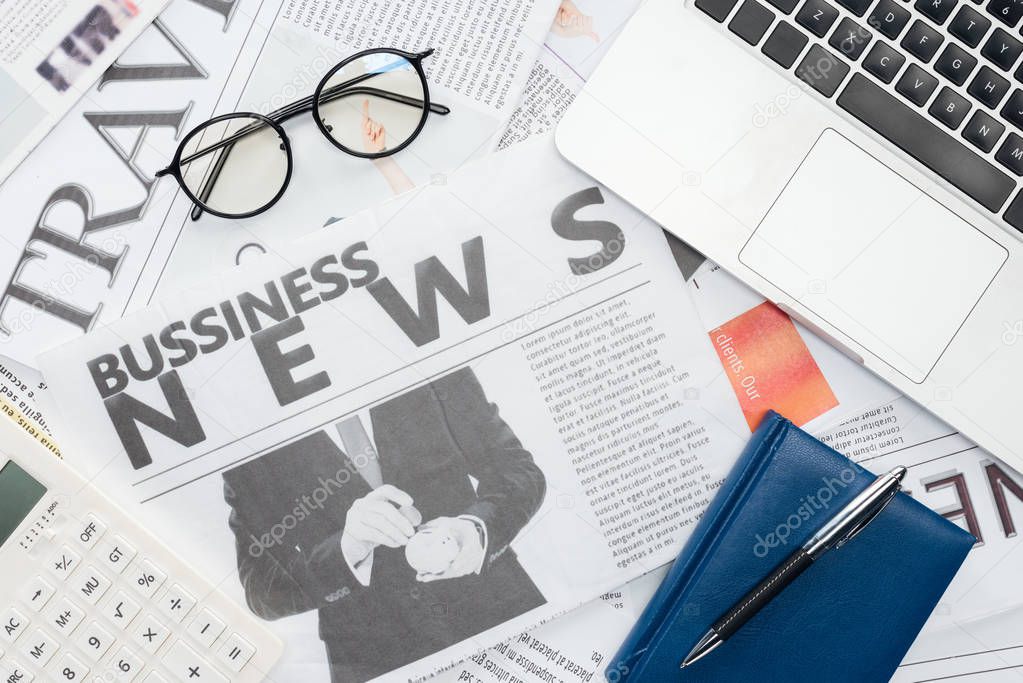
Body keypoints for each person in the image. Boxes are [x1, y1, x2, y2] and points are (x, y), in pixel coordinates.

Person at [222, 367, 547, 682]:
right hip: (375, 656)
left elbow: (515, 470)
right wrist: (348, 549)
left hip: (500, 613)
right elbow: (263, 587)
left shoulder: (418, 357)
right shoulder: (246, 432)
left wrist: (475, 528)